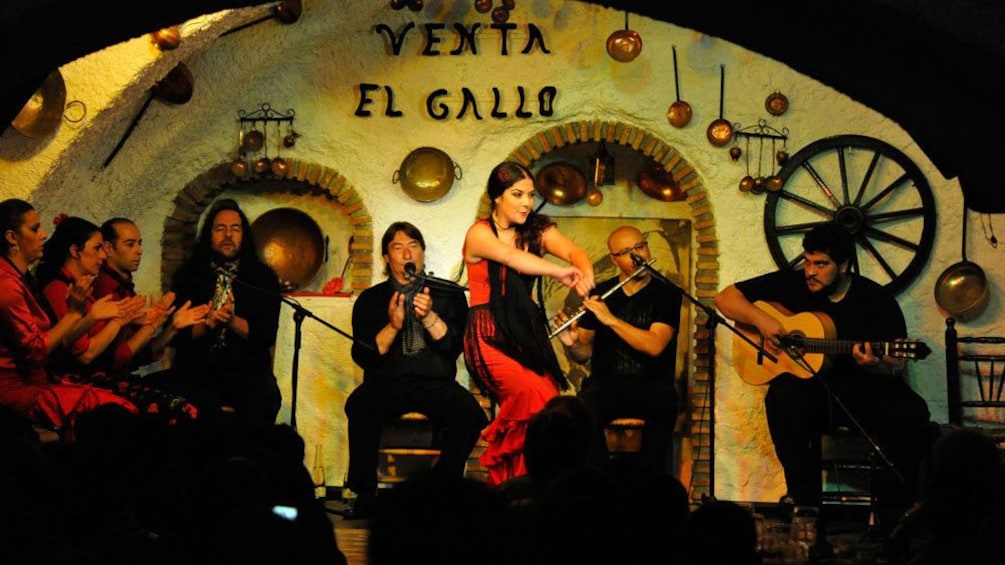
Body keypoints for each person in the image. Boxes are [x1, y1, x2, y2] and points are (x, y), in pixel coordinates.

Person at [713, 222, 934, 526]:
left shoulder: (875, 300)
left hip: (861, 393)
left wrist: (875, 363)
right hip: (811, 396)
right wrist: (762, 320)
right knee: (783, 395)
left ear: (843, 265)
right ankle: (805, 506)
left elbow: (897, 365)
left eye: (821, 264)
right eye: (807, 261)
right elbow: (725, 299)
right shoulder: (790, 284)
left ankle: (892, 512)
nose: (810, 271)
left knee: (911, 411)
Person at [462, 160, 595, 488]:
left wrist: (584, 270)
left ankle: (529, 486)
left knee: (549, 402)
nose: (526, 203)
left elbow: (572, 250)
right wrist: (556, 271)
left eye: (530, 195)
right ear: (498, 197)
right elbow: (510, 258)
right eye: (517, 194)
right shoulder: (479, 233)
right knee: (531, 394)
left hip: (525, 332)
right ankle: (522, 487)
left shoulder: (537, 230)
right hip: (488, 334)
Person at [344, 221, 487, 518]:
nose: (407, 253)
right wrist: (394, 326)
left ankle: (445, 487)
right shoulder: (370, 299)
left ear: (422, 253)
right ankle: (364, 492)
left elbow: (453, 348)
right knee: (359, 405)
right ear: (387, 257)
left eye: (413, 246)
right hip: (387, 383)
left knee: (470, 414)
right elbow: (363, 354)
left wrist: (430, 316)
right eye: (398, 247)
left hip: (435, 383)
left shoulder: (449, 295)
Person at [0, 199, 136, 437]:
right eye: (34, 229)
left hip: (39, 380)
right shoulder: (8, 284)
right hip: (18, 390)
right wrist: (80, 314)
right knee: (119, 410)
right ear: (12, 237)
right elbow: (40, 351)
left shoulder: (19, 277)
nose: (43, 235)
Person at [148, 198, 283, 434]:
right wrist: (207, 325)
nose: (228, 235)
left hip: (247, 371)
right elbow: (177, 336)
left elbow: (265, 336)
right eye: (220, 229)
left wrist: (230, 321)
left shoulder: (262, 278)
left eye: (235, 229)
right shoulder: (189, 275)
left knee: (265, 396)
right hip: (197, 369)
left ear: (244, 235)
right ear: (209, 234)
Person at [555, 225, 682, 474]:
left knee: (665, 403)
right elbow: (584, 355)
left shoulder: (667, 293)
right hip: (606, 385)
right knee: (582, 408)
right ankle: (602, 481)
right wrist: (571, 344)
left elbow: (654, 345)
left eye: (639, 247)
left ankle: (647, 484)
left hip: (652, 385)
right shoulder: (599, 293)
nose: (637, 256)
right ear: (614, 259)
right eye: (626, 252)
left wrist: (610, 319)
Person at [92, 217, 210, 376]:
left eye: (139, 243)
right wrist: (154, 324)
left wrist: (173, 327)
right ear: (108, 249)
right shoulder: (105, 289)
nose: (139, 250)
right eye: (130, 244)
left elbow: (142, 354)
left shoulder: (124, 286)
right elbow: (116, 360)